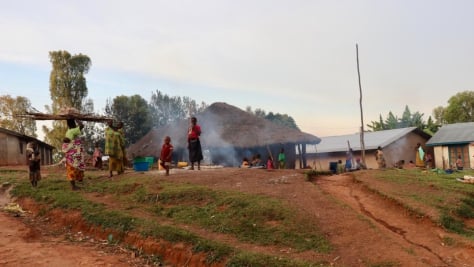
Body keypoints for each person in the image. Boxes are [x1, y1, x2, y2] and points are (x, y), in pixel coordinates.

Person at [62, 119, 85, 190]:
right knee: (73, 169)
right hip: (73, 155)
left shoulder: (68, 131)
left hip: (70, 155)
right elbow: (82, 125)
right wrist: (77, 119)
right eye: (74, 123)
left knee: (72, 169)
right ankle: (73, 186)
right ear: (73, 124)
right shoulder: (73, 130)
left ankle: (75, 183)